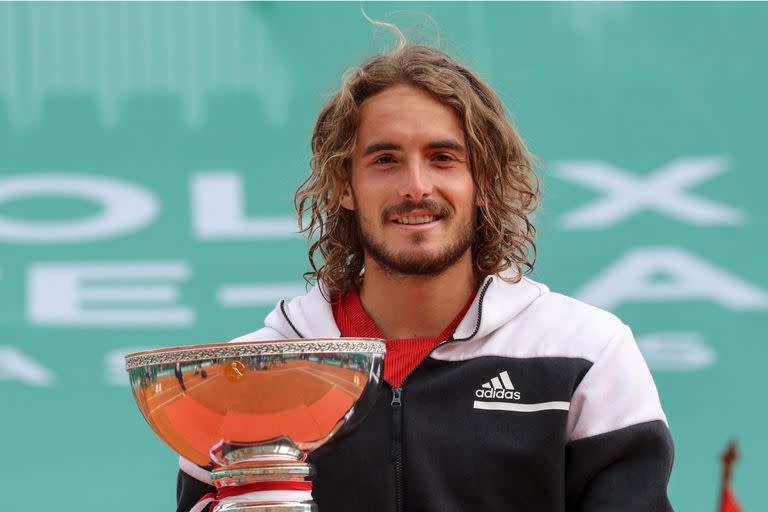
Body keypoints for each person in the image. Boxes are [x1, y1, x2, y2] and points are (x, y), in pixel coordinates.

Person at [177, 41, 674, 512]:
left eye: (443, 158)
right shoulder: (248, 376)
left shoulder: (585, 355)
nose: (416, 187)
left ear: (484, 181)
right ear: (344, 185)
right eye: (385, 160)